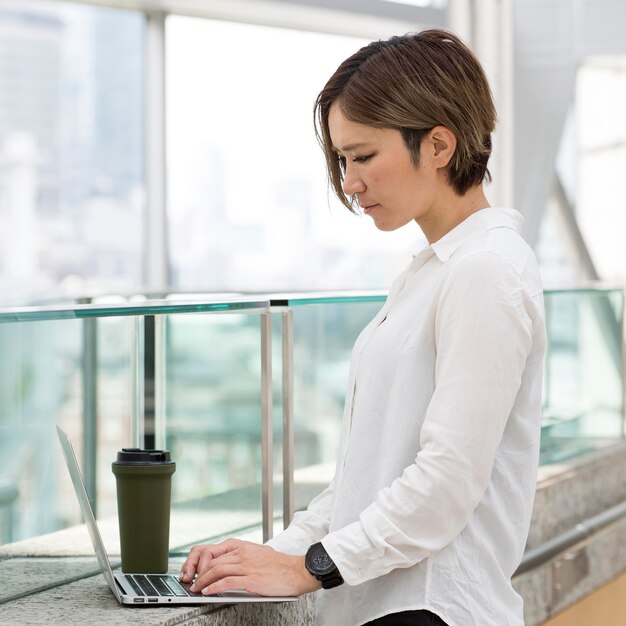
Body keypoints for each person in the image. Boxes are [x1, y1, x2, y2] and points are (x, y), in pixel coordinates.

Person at [179, 29, 545, 626]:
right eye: (343, 160)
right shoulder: (433, 271)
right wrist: (272, 555)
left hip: (433, 611)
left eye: (363, 156)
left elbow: (446, 483)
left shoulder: (485, 272)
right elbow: (367, 480)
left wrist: (308, 568)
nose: (349, 183)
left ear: (439, 144)